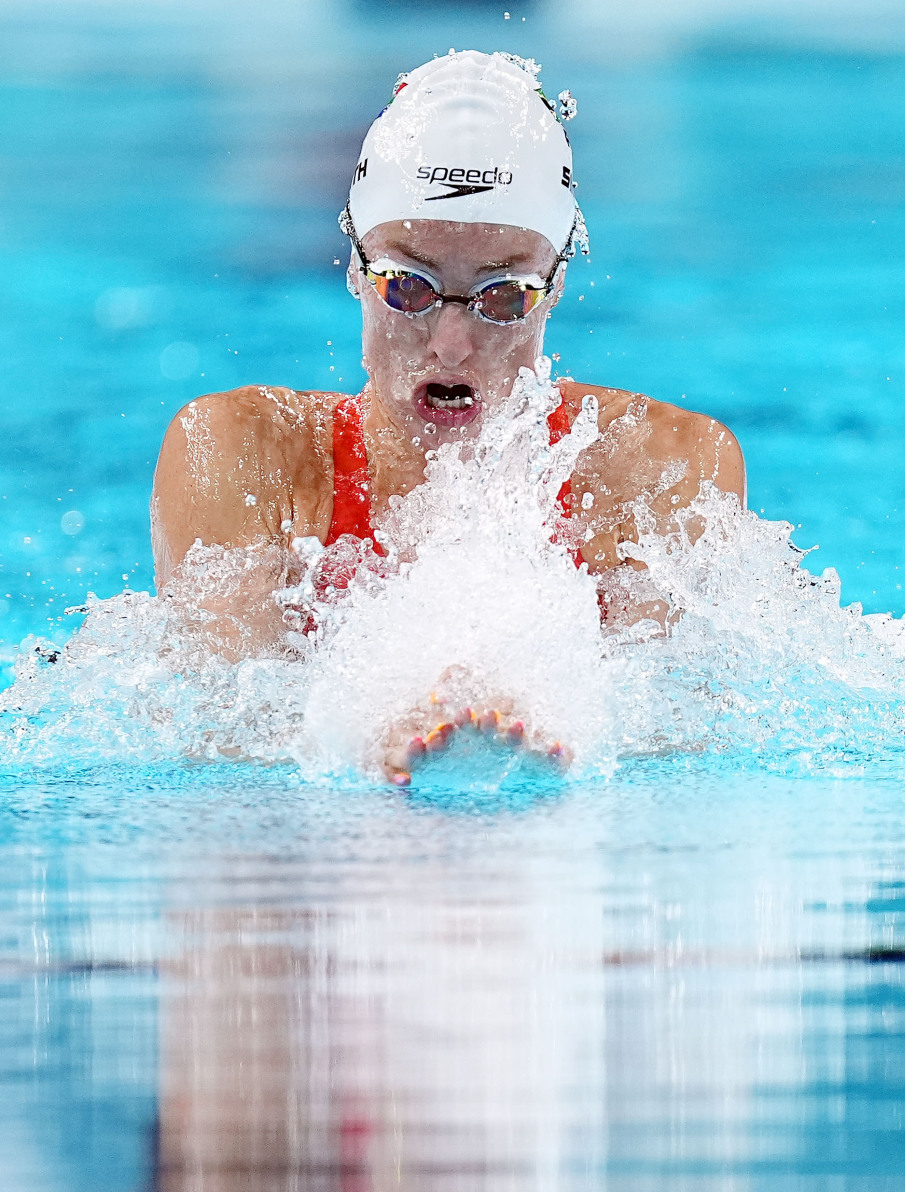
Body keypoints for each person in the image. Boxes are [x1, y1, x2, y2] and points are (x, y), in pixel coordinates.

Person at [151, 51, 746, 783]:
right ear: (354, 269)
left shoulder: (657, 466)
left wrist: (549, 715)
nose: (451, 343)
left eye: (504, 296)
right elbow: (218, 743)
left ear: (555, 288)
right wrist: (364, 732)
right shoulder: (244, 457)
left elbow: (675, 756)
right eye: (408, 286)